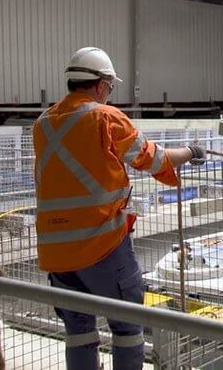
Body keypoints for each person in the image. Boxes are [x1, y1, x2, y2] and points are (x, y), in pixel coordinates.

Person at [33, 47, 205, 370]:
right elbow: (156, 159)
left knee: (79, 331)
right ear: (100, 84)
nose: (109, 95)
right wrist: (191, 151)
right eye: (110, 88)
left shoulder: (42, 124)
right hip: (102, 248)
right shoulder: (105, 117)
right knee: (127, 326)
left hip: (56, 255)